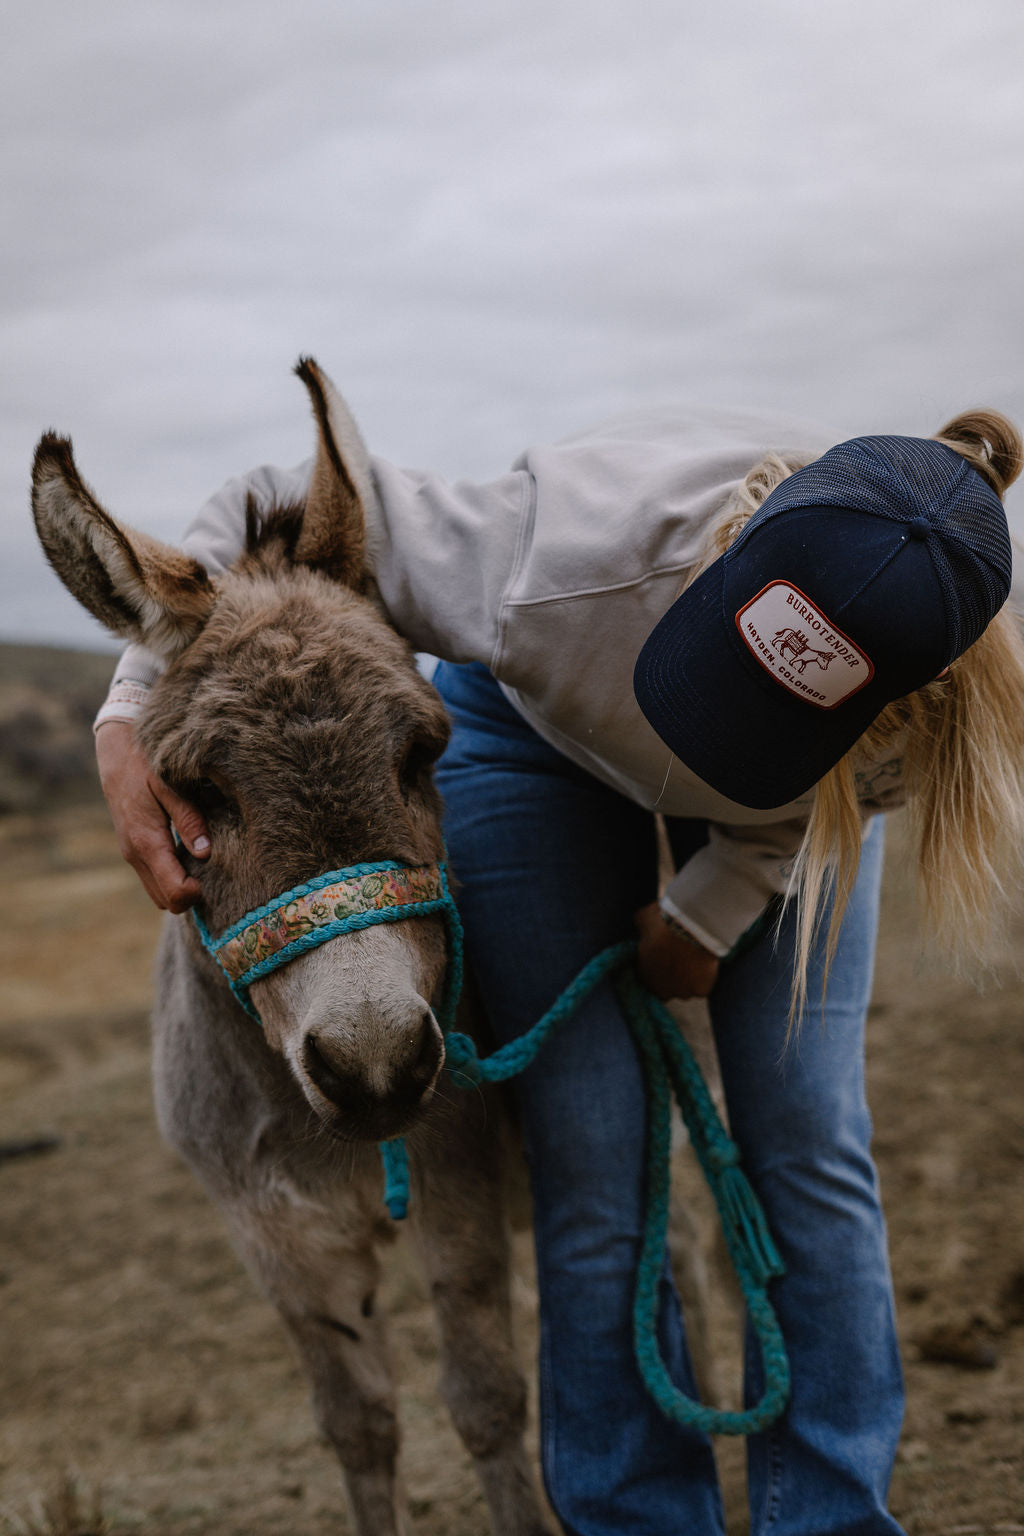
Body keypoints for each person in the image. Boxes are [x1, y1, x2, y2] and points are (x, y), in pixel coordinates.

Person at [94, 391, 1024, 1536]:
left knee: (808, 1134)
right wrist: (127, 708)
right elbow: (259, 506)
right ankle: (633, 1514)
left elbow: (787, 809)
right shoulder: (541, 560)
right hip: (542, 730)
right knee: (592, 1146)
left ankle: (828, 1513)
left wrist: (707, 913)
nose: (707, 731)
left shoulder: (920, 722)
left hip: (788, 813)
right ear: (728, 564)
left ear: (894, 703)